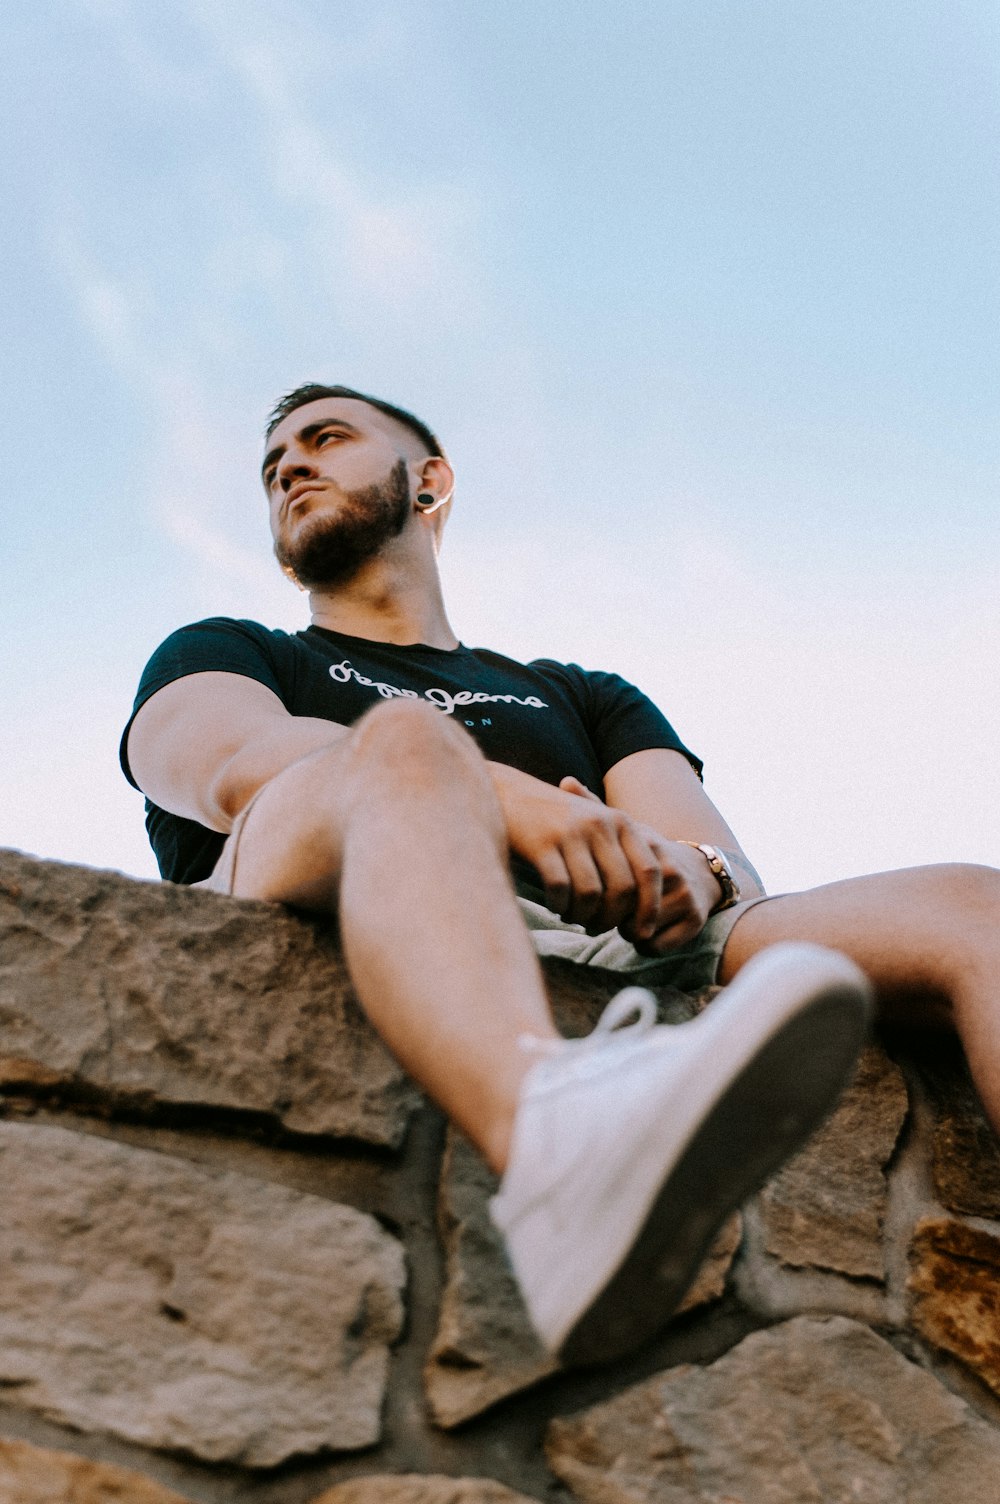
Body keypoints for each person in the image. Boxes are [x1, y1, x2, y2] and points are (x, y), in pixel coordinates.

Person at [120, 384, 995, 1366]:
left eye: (325, 439)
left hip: (621, 943)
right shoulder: (226, 650)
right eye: (274, 462)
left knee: (974, 904)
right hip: (329, 871)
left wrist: (669, 873)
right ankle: (557, 1164)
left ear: (431, 481)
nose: (290, 467)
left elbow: (725, 868)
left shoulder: (583, 692)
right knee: (407, 746)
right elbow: (232, 764)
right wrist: (495, 792)